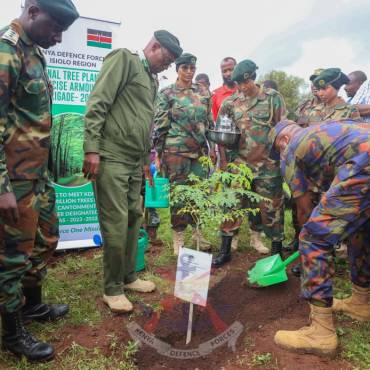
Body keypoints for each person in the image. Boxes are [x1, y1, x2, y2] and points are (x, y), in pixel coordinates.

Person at [0, 0, 78, 362]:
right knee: (12, 258)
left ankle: (33, 306)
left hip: (37, 176)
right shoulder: (7, 51)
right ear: (32, 11)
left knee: (47, 237)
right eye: (55, 28)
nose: (59, 37)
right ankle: (13, 334)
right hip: (13, 181)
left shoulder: (34, 51)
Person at [83, 30, 182, 314]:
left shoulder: (151, 79)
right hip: (111, 156)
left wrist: (144, 162)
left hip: (133, 161)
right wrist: (92, 149)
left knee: (133, 219)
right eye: (168, 58)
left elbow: (144, 123)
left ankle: (127, 276)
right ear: (154, 46)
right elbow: (98, 102)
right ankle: (111, 288)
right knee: (115, 223)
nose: (168, 66)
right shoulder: (124, 60)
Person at [269, 120, 370, 357]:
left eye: (277, 149)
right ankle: (362, 301)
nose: (280, 154)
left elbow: (303, 209)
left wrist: (313, 241)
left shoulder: (291, 148)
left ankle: (321, 332)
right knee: (362, 227)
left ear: (283, 140)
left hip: (364, 164)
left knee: (313, 238)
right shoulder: (325, 130)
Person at [213, 59, 287, 267]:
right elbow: (221, 137)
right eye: (239, 84)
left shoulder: (273, 99)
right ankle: (225, 251)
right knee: (230, 207)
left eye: (246, 82)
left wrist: (284, 160)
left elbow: (284, 129)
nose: (243, 87)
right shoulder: (230, 103)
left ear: (253, 78)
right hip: (239, 166)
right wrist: (225, 165)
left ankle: (276, 254)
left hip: (268, 166)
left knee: (272, 210)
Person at [153, 53, 214, 255]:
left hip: (199, 152)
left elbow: (210, 123)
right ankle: (178, 238)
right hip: (175, 152)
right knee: (178, 196)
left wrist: (212, 148)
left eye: (192, 68)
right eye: (184, 68)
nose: (189, 72)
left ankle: (197, 233)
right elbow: (161, 125)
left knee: (198, 194)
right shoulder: (167, 93)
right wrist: (158, 154)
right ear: (177, 69)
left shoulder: (203, 92)